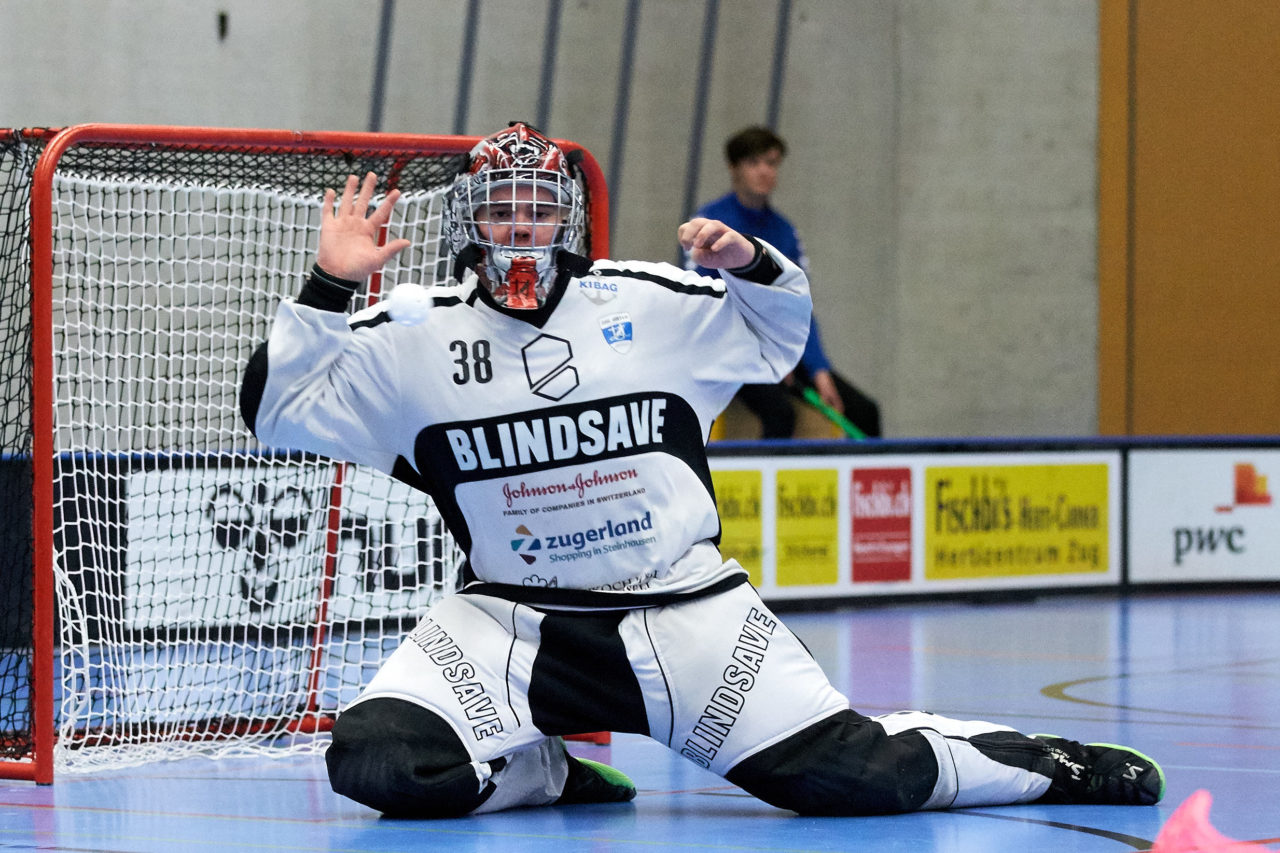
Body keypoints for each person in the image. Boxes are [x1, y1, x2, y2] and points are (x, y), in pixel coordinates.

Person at [240, 122, 1163, 818]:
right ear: (468, 220)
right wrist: (327, 286)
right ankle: (544, 769)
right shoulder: (412, 333)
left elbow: (777, 339)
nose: (520, 225)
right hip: (508, 624)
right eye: (499, 207)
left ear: (569, 216)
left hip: (689, 619)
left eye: (538, 205)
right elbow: (275, 411)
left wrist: (753, 262)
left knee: (853, 775)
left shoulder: (652, 300)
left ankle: (1052, 763)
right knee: (375, 759)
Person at [687, 125, 881, 438]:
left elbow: (800, 307)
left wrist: (819, 370)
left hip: (780, 344)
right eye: (754, 163)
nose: (765, 171)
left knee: (864, 411)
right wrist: (767, 352)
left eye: (772, 163)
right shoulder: (710, 224)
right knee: (780, 414)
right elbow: (705, 303)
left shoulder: (785, 232)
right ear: (733, 168)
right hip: (732, 350)